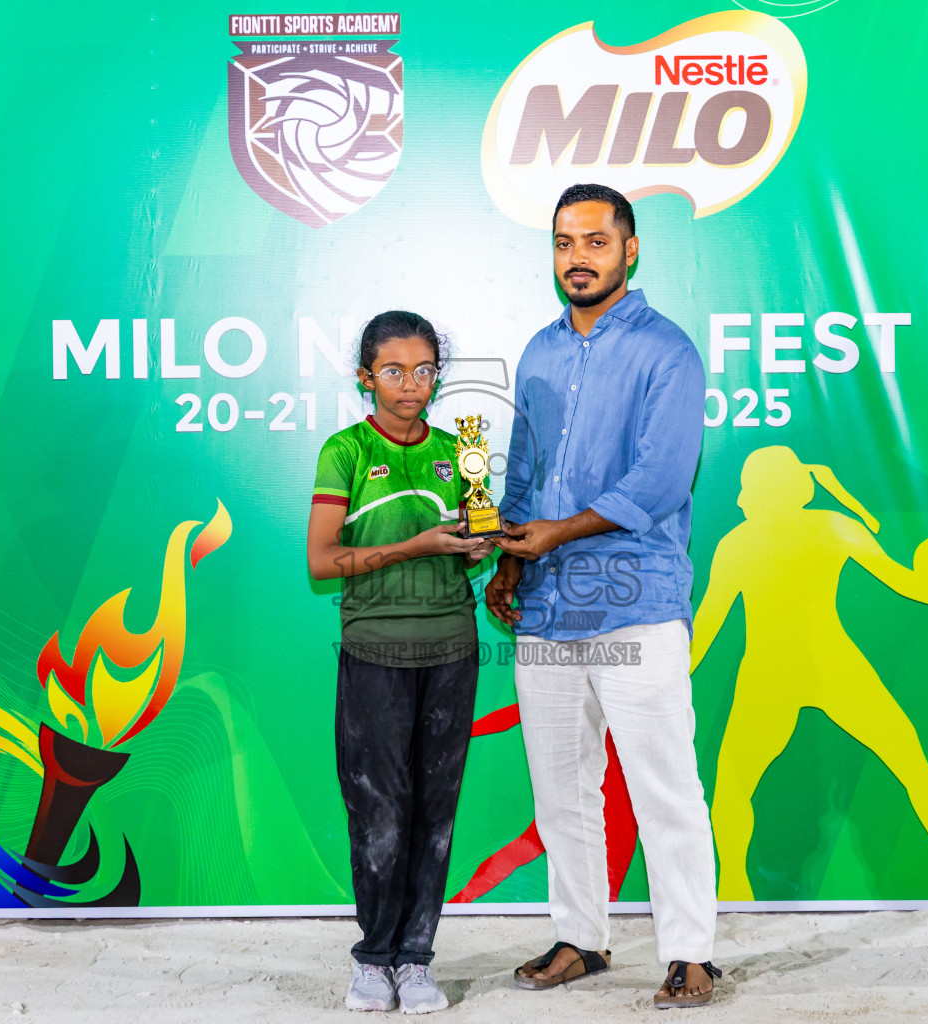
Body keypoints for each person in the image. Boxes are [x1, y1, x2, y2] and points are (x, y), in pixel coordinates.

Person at [486, 183, 721, 1009]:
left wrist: (557, 533)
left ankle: (691, 950)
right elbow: (523, 469)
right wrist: (513, 560)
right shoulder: (541, 352)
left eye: (593, 241)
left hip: (638, 602)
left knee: (663, 785)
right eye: (562, 243)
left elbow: (657, 482)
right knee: (560, 785)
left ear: (629, 250)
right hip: (547, 605)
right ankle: (581, 938)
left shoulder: (668, 352)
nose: (576, 258)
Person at [690, 445, 928, 902]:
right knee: (911, 764)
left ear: (754, 491)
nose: (742, 499)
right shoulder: (831, 525)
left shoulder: (739, 543)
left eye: (748, 488)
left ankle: (734, 887)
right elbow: (909, 582)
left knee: (732, 783)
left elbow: (706, 628)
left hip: (775, 671)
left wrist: (670, 676)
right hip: (828, 664)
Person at [307, 310, 492, 1013]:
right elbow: (322, 562)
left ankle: (416, 959)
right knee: (379, 811)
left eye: (423, 370)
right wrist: (416, 545)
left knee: (434, 813)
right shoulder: (345, 452)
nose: (410, 384)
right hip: (375, 652)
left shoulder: (456, 450)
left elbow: (473, 538)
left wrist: (478, 545)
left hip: (451, 650)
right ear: (366, 377)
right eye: (393, 371)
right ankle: (372, 959)